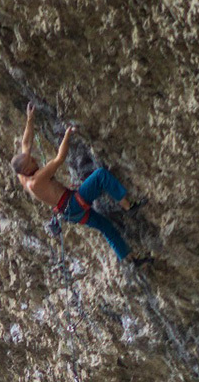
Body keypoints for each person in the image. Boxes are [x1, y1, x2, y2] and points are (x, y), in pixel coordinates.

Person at [12, 102, 152, 267]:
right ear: (27, 169)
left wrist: (30, 119)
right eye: (31, 161)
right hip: (73, 203)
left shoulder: (22, 173)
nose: (34, 159)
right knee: (100, 175)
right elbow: (59, 158)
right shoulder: (36, 181)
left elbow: (26, 144)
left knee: (105, 226)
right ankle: (127, 205)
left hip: (70, 212)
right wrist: (67, 135)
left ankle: (130, 258)